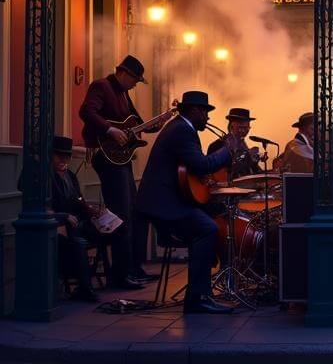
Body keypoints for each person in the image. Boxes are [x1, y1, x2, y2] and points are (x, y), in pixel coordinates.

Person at [136, 91, 239, 314]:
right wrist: (227, 150)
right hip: (164, 203)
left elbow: (189, 167)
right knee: (208, 228)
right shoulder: (182, 130)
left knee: (208, 221)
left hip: (169, 200)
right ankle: (197, 298)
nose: (207, 118)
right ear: (193, 111)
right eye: (204, 112)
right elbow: (202, 164)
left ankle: (202, 292)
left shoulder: (180, 128)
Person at [78, 55, 154, 289]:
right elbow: (86, 112)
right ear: (124, 73)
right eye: (135, 80)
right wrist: (110, 129)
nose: (135, 84)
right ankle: (120, 275)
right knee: (121, 213)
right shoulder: (101, 85)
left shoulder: (124, 94)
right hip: (106, 156)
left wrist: (163, 120)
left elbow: (139, 124)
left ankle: (132, 268)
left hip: (121, 159)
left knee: (133, 210)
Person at [50, 136, 103, 301]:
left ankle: (119, 275)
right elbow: (47, 208)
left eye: (67, 156)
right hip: (61, 227)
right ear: (51, 155)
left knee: (109, 233)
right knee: (78, 244)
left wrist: (91, 211)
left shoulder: (70, 176)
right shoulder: (47, 176)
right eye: (59, 156)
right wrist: (64, 216)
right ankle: (85, 288)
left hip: (77, 222)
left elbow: (78, 200)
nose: (63, 160)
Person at [207, 108, 262, 179]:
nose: (244, 131)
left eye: (247, 128)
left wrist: (255, 160)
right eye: (240, 127)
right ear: (231, 127)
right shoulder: (218, 145)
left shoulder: (244, 146)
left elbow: (253, 171)